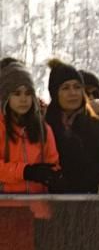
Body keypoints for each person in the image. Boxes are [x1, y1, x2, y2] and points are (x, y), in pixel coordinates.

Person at [44, 59, 99, 193]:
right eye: (65, 88)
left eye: (77, 87)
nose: (73, 93)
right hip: (50, 202)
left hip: (88, 203)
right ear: (55, 93)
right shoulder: (42, 127)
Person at [0, 62, 60, 193]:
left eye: (28, 93)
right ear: (6, 97)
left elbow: (53, 162)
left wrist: (53, 175)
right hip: (6, 204)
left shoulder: (43, 129)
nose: (23, 99)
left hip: (37, 205)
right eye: (17, 93)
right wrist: (25, 171)